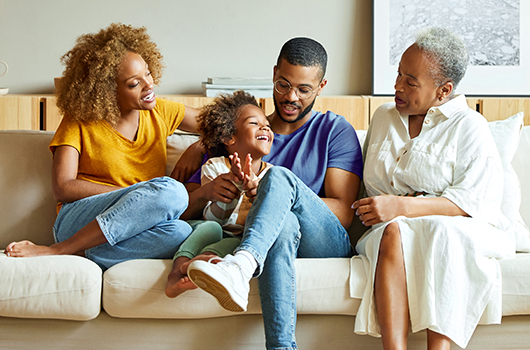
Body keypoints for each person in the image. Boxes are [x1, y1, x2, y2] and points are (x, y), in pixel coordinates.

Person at [185, 37, 364, 349]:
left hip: (323, 240)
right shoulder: (243, 135)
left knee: (278, 178)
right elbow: (188, 208)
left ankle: (241, 265)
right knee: (282, 227)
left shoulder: (334, 130)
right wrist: (201, 142)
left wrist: (274, 197)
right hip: (277, 238)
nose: (290, 97)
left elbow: (344, 212)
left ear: (321, 86)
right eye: (283, 84)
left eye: (303, 89)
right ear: (273, 74)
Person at [351, 28, 515, 350]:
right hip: (387, 231)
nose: (397, 86)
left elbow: (472, 202)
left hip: (454, 230)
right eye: (398, 74)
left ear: (444, 91)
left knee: (438, 233)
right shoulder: (384, 117)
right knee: (395, 231)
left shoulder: (470, 126)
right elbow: (365, 188)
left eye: (410, 82)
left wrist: (402, 206)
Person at [3, 23, 200, 270]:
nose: (149, 85)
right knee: (174, 192)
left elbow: (222, 124)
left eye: (147, 73)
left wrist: (199, 146)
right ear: (107, 91)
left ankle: (85, 252)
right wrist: (134, 194)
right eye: (133, 83)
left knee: (181, 232)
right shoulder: (80, 119)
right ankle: (59, 248)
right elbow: (63, 187)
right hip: (79, 218)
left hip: (132, 226)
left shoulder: (161, 111)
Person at [165, 90, 274, 298]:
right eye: (254, 123)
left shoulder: (272, 177)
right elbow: (215, 217)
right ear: (228, 137)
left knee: (237, 243)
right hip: (211, 226)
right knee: (210, 228)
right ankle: (176, 272)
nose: (264, 127)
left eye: (267, 125)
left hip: (237, 236)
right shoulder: (215, 168)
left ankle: (202, 262)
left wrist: (255, 196)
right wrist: (232, 189)